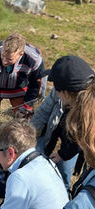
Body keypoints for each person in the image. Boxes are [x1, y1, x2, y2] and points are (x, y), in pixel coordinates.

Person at [31, 55, 94, 190]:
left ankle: (63, 190)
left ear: (65, 93)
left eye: (56, 88)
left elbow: (80, 140)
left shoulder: (88, 119)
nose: (54, 90)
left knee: (66, 175)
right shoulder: (77, 92)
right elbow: (44, 111)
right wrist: (30, 134)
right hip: (63, 133)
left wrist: (63, 154)